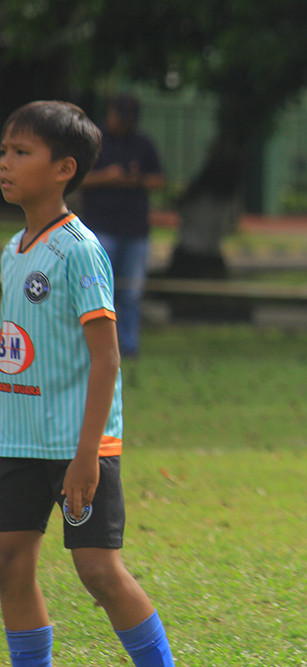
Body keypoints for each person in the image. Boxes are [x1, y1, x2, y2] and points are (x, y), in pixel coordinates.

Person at [0, 101, 174, 666]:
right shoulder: (12, 251)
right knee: (8, 561)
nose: (5, 162)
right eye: (5, 150)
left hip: (78, 446)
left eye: (21, 152)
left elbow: (107, 359)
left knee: (97, 570)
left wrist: (87, 455)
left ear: (64, 169)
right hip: (18, 442)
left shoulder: (79, 250)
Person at [80, 94, 164, 358]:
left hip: (135, 231)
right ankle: (95, 347)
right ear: (110, 112)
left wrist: (135, 180)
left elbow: (159, 180)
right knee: (97, 292)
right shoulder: (94, 143)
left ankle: (128, 346)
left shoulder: (142, 143)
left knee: (130, 294)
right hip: (100, 229)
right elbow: (76, 178)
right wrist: (107, 177)